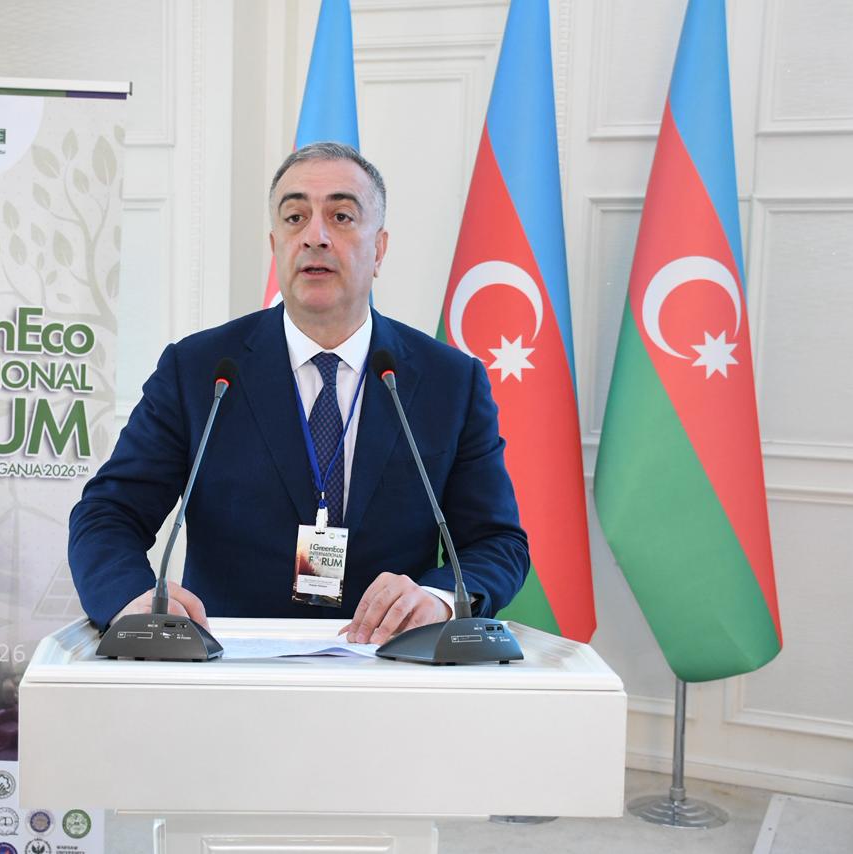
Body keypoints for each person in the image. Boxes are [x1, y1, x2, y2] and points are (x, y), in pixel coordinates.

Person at [69, 142, 528, 646]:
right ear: (275, 244)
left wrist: (438, 598)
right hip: (227, 665)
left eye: (341, 216)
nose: (315, 236)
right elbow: (108, 515)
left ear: (379, 249)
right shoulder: (200, 370)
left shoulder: (449, 381)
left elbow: (496, 542)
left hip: (387, 664)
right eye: (295, 217)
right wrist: (131, 599)